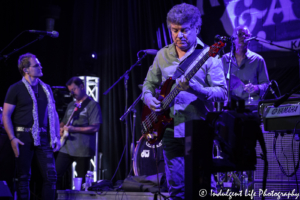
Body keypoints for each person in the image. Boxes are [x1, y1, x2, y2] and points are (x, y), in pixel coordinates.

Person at [142, 3, 227, 199]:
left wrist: (196, 88)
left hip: (197, 129)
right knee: (176, 190)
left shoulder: (209, 55)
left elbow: (222, 93)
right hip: (169, 129)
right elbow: (148, 84)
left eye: (184, 30)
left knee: (204, 187)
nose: (179, 35)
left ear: (196, 28)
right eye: (174, 30)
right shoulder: (162, 55)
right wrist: (148, 99)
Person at [2, 53, 61, 200]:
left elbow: (53, 112)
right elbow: (6, 115)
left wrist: (57, 136)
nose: (40, 67)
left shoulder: (46, 88)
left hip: (43, 136)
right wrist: (12, 138)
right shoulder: (15, 88)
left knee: (51, 177)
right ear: (26, 69)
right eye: (36, 65)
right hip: (23, 136)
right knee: (23, 178)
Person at [55, 77, 102, 190]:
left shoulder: (92, 105)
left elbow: (95, 127)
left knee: (80, 182)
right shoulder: (71, 105)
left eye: (74, 89)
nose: (72, 93)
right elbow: (64, 121)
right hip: (66, 147)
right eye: (70, 90)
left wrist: (73, 129)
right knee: (55, 175)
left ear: (82, 86)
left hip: (83, 149)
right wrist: (61, 128)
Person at [221, 25, 269, 103]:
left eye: (246, 35)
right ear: (233, 39)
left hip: (251, 104)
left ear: (249, 39)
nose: (243, 37)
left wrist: (256, 88)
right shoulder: (224, 59)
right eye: (240, 34)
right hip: (230, 106)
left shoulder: (258, 59)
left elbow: (266, 85)